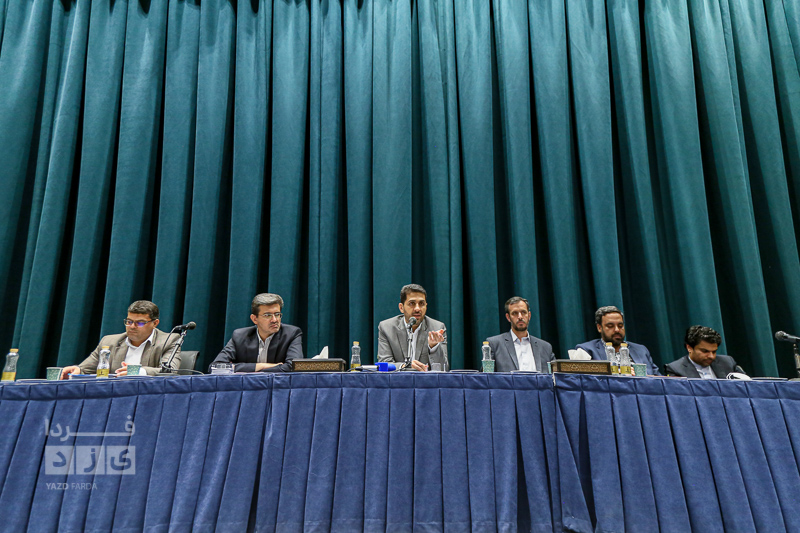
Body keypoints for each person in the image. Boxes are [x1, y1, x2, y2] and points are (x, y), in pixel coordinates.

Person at [60, 300, 181, 378]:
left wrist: (138, 372)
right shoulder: (109, 342)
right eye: (129, 321)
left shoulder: (168, 341)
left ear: (155, 323)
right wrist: (77, 369)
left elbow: (169, 371)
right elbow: (86, 368)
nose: (132, 326)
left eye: (140, 323)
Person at [210, 293, 303, 372]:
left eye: (277, 314)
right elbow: (215, 367)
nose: (274, 320)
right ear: (254, 319)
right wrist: (260, 366)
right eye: (268, 315)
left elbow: (295, 367)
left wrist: (239, 368)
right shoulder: (240, 336)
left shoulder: (291, 334)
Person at [377, 284, 447, 371]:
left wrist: (433, 347)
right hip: (398, 379)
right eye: (412, 303)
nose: (417, 309)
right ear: (401, 308)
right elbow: (384, 364)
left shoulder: (437, 328)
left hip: (425, 379)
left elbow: (443, 369)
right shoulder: (387, 328)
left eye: (421, 304)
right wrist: (405, 366)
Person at [575, 305, 660, 375]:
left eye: (620, 326)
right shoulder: (587, 350)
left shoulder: (641, 350)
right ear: (599, 328)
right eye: (610, 326)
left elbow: (659, 379)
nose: (617, 330)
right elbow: (583, 381)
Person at [486, 296, 554, 372]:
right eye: (515, 313)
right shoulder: (494, 344)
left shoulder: (546, 347)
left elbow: (555, 376)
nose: (520, 317)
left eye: (523, 312)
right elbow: (486, 376)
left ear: (529, 315)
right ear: (508, 317)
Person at [665, 325, 744, 379]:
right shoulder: (676, 369)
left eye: (714, 352)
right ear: (689, 348)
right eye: (705, 351)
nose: (711, 356)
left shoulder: (728, 363)